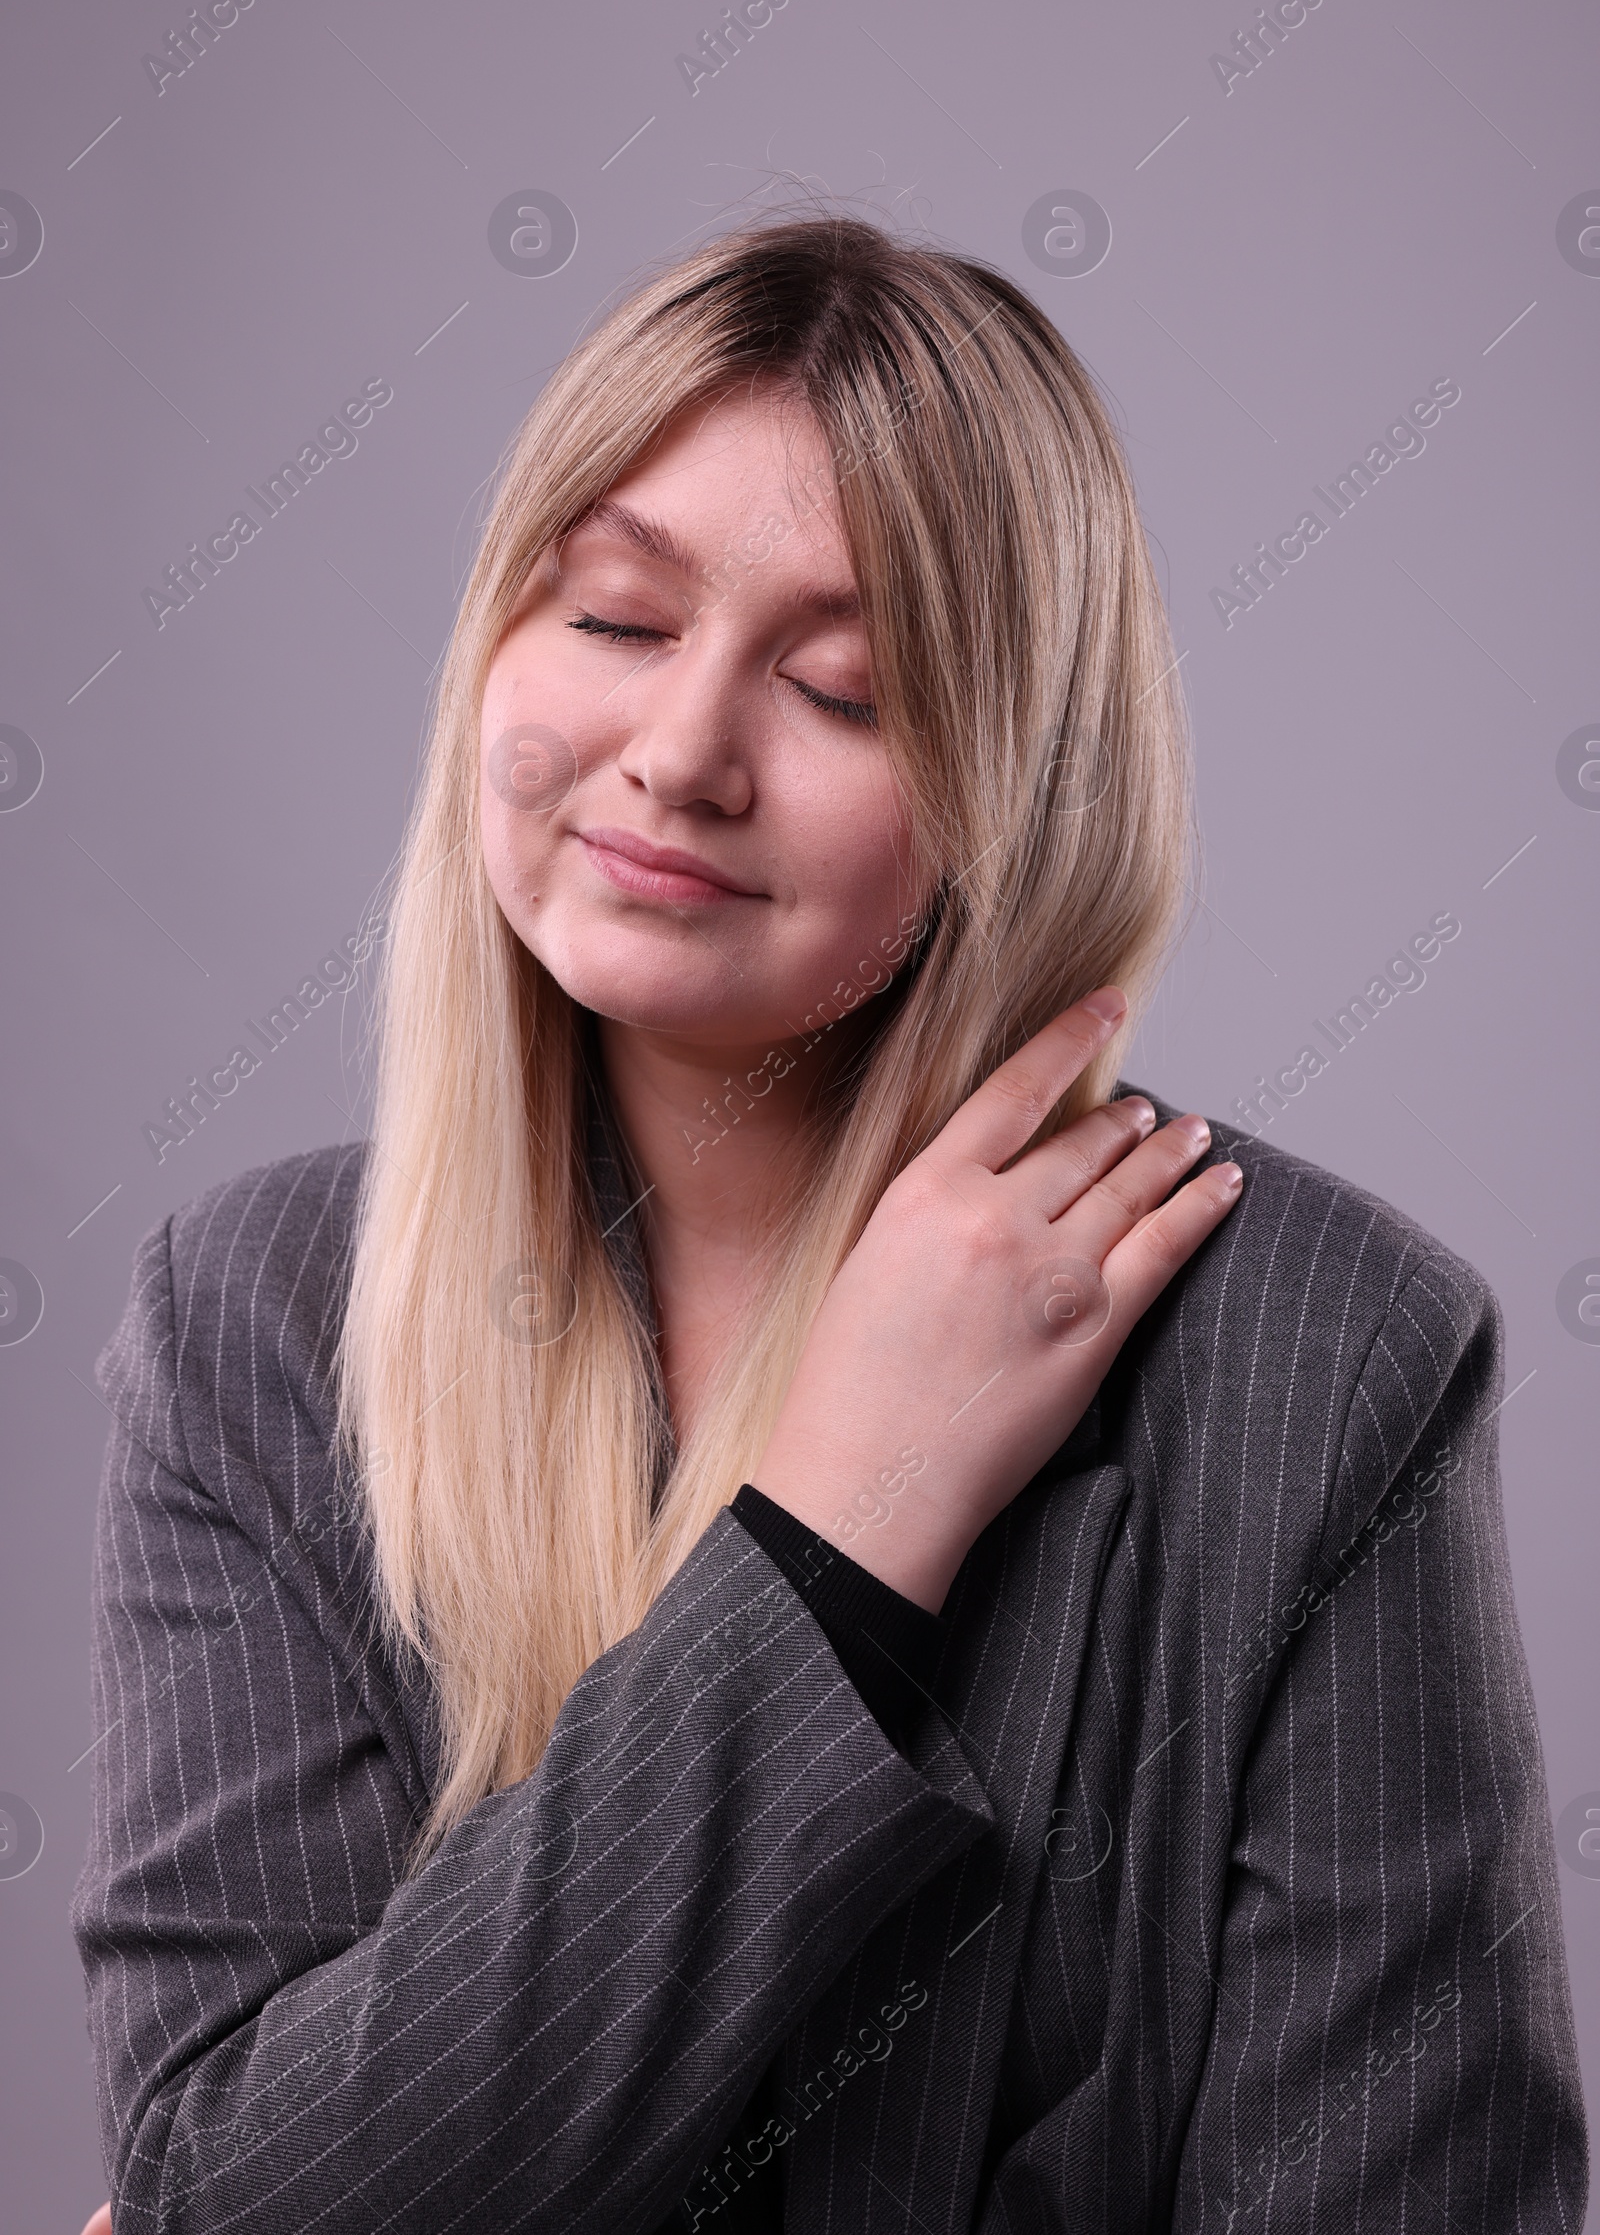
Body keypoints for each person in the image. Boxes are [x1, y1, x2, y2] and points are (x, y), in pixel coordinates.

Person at [72, 214, 1586, 2233]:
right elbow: (232, 2199)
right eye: (613, 619)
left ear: (1010, 801)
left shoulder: (1330, 1357)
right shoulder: (251, 1322)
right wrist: (832, 1540)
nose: (681, 754)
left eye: (840, 691)